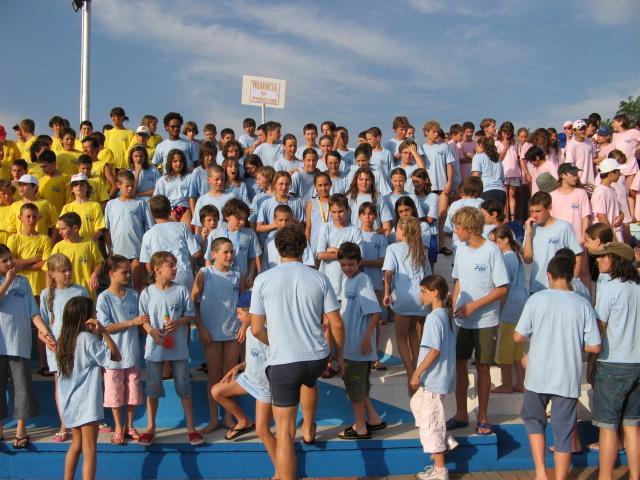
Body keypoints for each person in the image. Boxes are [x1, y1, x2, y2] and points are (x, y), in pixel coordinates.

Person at [250, 224, 345, 480]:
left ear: (277, 248)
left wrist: (277, 343)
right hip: (316, 358)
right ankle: (310, 427)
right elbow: (336, 324)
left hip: (285, 363)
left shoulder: (263, 279)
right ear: (303, 248)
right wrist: (339, 356)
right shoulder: (318, 277)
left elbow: (256, 329)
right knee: (308, 380)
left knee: (284, 432)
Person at [514, 256, 601, 480]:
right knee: (563, 432)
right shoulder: (582, 304)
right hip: (567, 376)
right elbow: (595, 346)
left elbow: (518, 336)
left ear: (549, 275)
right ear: (571, 276)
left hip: (537, 375)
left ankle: (541, 472)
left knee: (534, 422)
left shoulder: (536, 300)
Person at [448, 206, 509, 436]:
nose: (455, 231)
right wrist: (455, 303)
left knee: (483, 367)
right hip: (462, 320)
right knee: (459, 364)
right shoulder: (460, 249)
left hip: (486, 320)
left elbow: (502, 288)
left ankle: (483, 417)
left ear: (470, 228)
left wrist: (473, 306)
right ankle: (461, 413)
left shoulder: (491, 250)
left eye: (457, 227)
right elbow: (458, 280)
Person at [138, 251, 202, 446]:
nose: (175, 269)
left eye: (175, 265)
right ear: (157, 270)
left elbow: (190, 315)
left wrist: (179, 321)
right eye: (171, 266)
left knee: (183, 387)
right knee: (153, 388)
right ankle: (150, 427)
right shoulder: (147, 292)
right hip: (155, 348)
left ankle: (191, 428)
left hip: (178, 348)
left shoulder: (181, 290)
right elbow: (143, 319)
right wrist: (151, 331)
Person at [588, 242, 640, 480]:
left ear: (615, 260)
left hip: (613, 362)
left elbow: (599, 329)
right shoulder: (637, 287)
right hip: (637, 362)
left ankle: (605, 476)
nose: (598, 260)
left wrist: (591, 362)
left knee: (608, 427)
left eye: (603, 256)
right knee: (632, 426)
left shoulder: (610, 288)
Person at [56, 296, 121, 480]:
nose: (96, 315)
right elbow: (116, 356)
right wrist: (104, 332)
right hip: (86, 404)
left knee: (76, 444)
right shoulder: (87, 339)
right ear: (85, 317)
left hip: (70, 403)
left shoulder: (64, 340)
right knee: (90, 449)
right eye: (93, 312)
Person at [211, 291, 277, 467]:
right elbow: (252, 359)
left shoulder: (266, 332)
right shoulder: (248, 330)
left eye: (240, 313)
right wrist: (238, 367)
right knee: (217, 391)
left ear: (251, 312)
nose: (238, 317)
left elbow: (275, 358)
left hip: (264, 386)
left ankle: (281, 469)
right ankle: (244, 421)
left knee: (263, 431)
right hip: (249, 378)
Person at [0, 244, 56, 449]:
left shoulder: (23, 282)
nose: (10, 263)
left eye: (11, 258)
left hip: (19, 343)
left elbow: (33, 311)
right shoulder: (7, 281)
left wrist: (45, 331)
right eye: (4, 260)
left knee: (22, 387)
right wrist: (7, 281)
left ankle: (21, 429)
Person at [192, 237, 245, 434]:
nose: (230, 255)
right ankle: (214, 419)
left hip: (232, 332)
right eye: (226, 252)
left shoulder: (237, 274)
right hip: (211, 332)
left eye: (232, 252)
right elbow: (193, 301)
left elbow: (244, 302)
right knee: (214, 375)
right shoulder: (205, 273)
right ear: (214, 254)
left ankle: (229, 417)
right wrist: (201, 327)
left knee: (229, 375)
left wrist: (244, 325)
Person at [334, 242, 385, 440]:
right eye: (343, 264)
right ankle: (373, 418)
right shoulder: (348, 281)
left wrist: (366, 339)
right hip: (350, 346)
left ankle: (360, 427)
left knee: (354, 388)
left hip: (358, 347)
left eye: (351, 264)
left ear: (359, 263)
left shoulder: (363, 280)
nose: (347, 268)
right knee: (360, 387)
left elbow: (375, 313)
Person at [96, 255, 148, 444]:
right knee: (114, 393)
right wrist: (132, 322)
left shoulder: (134, 295)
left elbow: (143, 321)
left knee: (133, 392)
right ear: (112, 274)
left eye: (129, 271)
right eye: (124, 272)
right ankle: (118, 426)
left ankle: (130, 425)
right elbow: (104, 327)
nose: (128, 275)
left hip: (132, 353)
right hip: (113, 356)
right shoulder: (104, 298)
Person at [410, 275, 457, 480]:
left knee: (431, 424)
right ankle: (445, 438)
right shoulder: (445, 315)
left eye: (423, 291)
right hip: (438, 377)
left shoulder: (434, 318)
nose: (421, 295)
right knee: (417, 404)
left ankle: (440, 470)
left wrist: (417, 372)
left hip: (434, 379)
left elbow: (434, 350)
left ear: (435, 292)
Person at [40, 253, 90, 442]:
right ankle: (65, 423)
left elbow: (88, 319)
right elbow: (42, 325)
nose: (68, 273)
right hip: (57, 349)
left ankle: (83, 420)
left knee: (81, 383)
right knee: (61, 386)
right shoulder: (46, 295)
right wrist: (47, 339)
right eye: (63, 271)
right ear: (52, 274)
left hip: (78, 346)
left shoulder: (80, 291)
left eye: (69, 269)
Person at [383, 217, 431, 390]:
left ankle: (411, 372)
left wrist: (387, 293)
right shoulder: (420, 249)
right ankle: (417, 371)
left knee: (402, 337)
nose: (395, 231)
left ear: (403, 231)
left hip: (403, 297)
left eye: (397, 229)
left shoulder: (393, 248)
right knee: (414, 334)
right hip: (420, 297)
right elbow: (428, 276)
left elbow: (388, 273)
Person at [488, 225, 527, 394]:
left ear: (504, 240)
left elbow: (504, 287)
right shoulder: (515, 256)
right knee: (517, 349)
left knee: (505, 348)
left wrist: (498, 310)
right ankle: (521, 383)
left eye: (494, 241)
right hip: (519, 305)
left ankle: (507, 383)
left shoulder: (506, 258)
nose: (493, 245)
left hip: (510, 307)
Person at [522, 191, 582, 293]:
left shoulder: (564, 227)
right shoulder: (531, 228)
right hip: (537, 288)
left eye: (538, 211)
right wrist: (528, 233)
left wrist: (572, 282)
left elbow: (578, 256)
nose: (534, 215)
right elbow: (527, 259)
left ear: (549, 208)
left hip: (560, 289)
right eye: (531, 212)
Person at [104, 170, 154, 291]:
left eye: (132, 185)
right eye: (127, 186)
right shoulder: (110, 205)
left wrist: (147, 249)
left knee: (138, 286)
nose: (130, 189)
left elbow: (150, 227)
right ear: (118, 185)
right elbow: (106, 229)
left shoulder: (141, 203)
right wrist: (109, 249)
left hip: (137, 251)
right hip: (118, 252)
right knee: (119, 287)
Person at [140, 195, 201, 290]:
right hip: (184, 278)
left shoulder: (147, 235)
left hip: (162, 280)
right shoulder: (182, 227)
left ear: (151, 213)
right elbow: (197, 253)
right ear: (170, 210)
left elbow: (148, 266)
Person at [204, 198, 261, 283]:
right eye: (239, 218)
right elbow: (209, 259)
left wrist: (250, 274)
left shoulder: (250, 234)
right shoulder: (215, 233)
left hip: (241, 281)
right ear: (227, 217)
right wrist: (210, 278)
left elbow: (253, 258)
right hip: (220, 280)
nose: (242, 222)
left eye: (244, 219)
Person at [316, 193, 363, 297]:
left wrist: (334, 250)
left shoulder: (355, 230)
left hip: (347, 283)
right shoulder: (325, 228)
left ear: (348, 210)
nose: (337, 215)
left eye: (341, 211)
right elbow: (320, 255)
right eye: (334, 212)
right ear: (330, 212)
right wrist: (345, 254)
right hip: (327, 282)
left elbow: (357, 256)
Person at [49, 212, 103, 296]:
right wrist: (50, 292)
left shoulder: (89, 243)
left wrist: (94, 275)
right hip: (65, 293)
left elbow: (99, 263)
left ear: (75, 228)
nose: (60, 232)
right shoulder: (58, 247)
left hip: (87, 292)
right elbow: (49, 270)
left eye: (63, 229)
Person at [7, 203, 51, 299]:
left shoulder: (45, 239)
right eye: (28, 216)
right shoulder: (14, 239)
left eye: (34, 217)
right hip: (18, 286)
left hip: (38, 287)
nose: (31, 220)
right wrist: (34, 259)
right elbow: (12, 262)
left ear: (38, 218)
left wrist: (21, 267)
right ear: (20, 218)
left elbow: (45, 263)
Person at [191, 165, 237, 236]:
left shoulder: (231, 197)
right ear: (209, 180)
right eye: (217, 179)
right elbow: (198, 226)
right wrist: (200, 241)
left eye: (222, 179)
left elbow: (235, 220)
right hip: (208, 239)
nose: (220, 182)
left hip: (226, 238)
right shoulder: (202, 200)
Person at [60, 173, 106, 242]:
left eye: (82, 184)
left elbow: (99, 229)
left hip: (90, 246)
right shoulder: (66, 207)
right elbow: (62, 229)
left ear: (88, 187)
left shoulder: (96, 206)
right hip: (71, 245)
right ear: (72, 189)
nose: (79, 186)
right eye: (75, 184)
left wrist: (88, 244)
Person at [153, 149, 193, 226]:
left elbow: (193, 197)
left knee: (187, 231)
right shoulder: (163, 180)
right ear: (170, 162)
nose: (178, 163)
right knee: (173, 231)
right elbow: (157, 199)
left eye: (181, 161)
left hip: (186, 209)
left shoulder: (190, 177)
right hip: (170, 210)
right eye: (175, 161)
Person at [591, 157, 624, 241]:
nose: (620, 174)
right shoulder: (601, 192)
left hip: (615, 234)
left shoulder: (611, 190)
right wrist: (612, 238)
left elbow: (617, 210)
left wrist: (621, 216)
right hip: (609, 238)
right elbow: (601, 217)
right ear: (610, 174)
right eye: (618, 172)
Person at [472, 136, 506, 204]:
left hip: (486, 192)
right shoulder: (498, 159)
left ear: (481, 146)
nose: (475, 148)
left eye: (477, 146)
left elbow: (475, 177)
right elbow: (502, 179)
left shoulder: (478, 157)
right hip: (501, 192)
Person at [305, 171, 332, 255]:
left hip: (332, 244)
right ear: (315, 187)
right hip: (315, 244)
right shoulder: (311, 204)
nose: (323, 188)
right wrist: (307, 246)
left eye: (326, 184)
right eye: (320, 185)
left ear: (330, 184)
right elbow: (308, 227)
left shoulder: (335, 202)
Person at [565, 120, 596, 188]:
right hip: (579, 183)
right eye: (580, 129)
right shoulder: (571, 145)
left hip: (591, 183)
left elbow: (593, 160)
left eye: (584, 128)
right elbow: (569, 165)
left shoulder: (590, 142)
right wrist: (576, 181)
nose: (582, 131)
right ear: (574, 131)